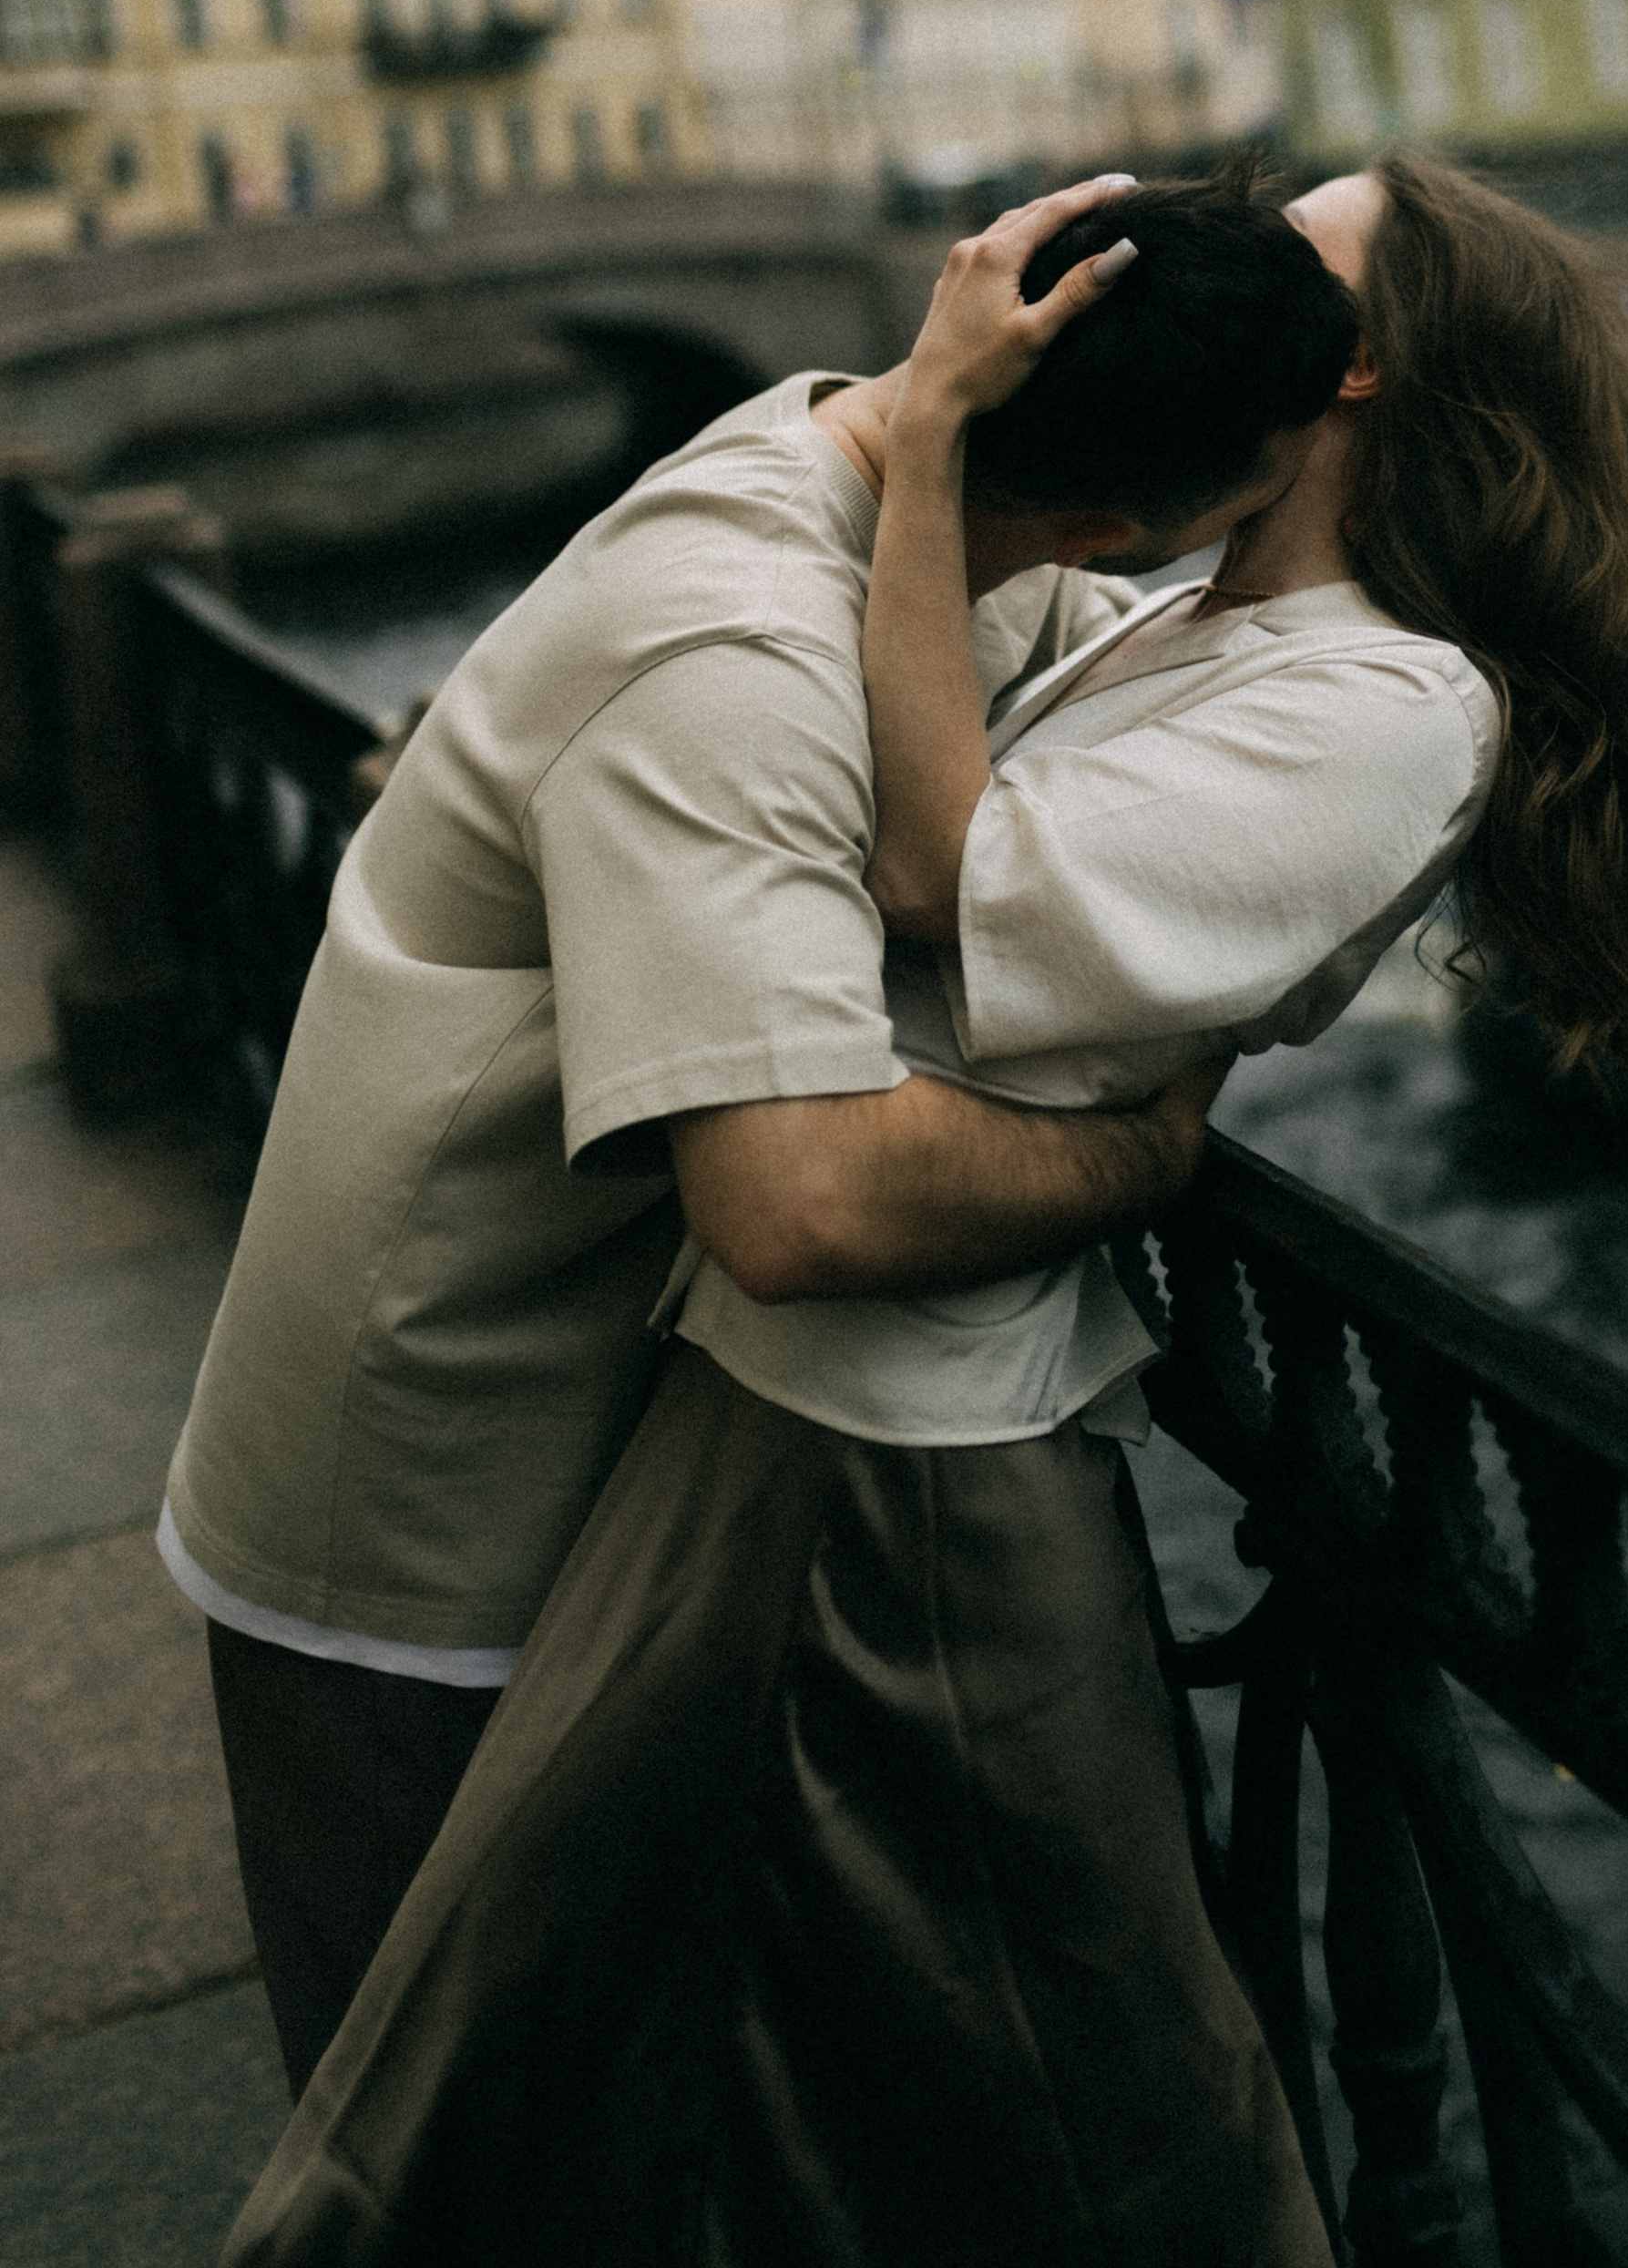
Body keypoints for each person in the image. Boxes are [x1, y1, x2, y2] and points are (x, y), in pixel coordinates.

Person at [220, 149, 1628, 2268]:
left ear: (1353, 377)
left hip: (917, 1431)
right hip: (807, 1402)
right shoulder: (1154, 610)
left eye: (1273, 254)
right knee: (672, 2052)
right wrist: (913, 442)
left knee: (1074, 2107)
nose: (1147, 279)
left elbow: (942, 881)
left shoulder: (1392, 697)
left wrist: (933, 443)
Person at [162, 165, 1360, 2100]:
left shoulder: (880, 452)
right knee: (453, 2159)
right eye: (1235, 533)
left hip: (606, 1457)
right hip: (424, 1532)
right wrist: (1144, 1156)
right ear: (1101, 524)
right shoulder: (727, 658)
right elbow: (791, 1202)